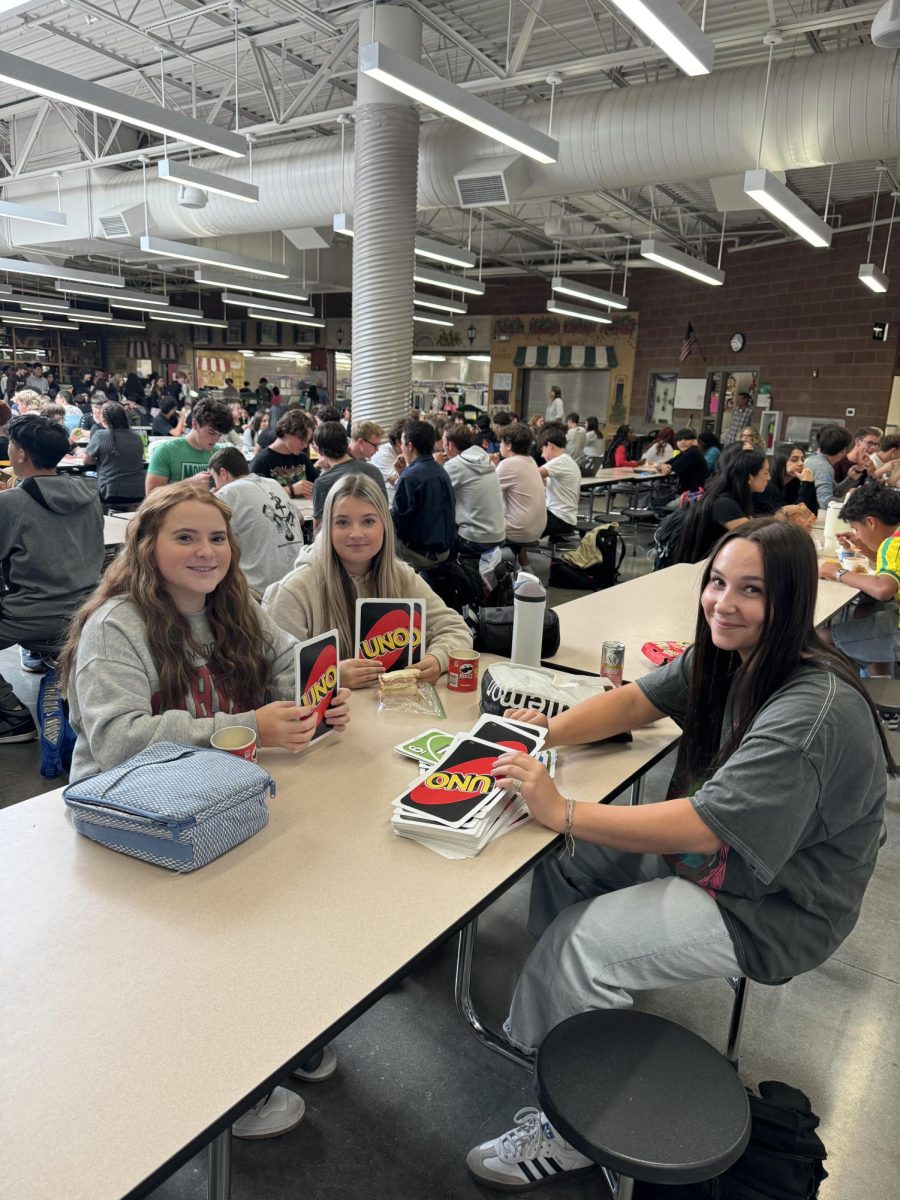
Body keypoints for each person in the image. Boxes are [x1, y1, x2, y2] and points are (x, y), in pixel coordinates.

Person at [466, 518, 892, 1190]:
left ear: (791, 603)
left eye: (751, 590)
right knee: (566, 859)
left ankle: (574, 1123)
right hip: (726, 865)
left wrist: (565, 808)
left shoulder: (812, 709)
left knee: (581, 939)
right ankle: (575, 1027)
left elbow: (703, 827)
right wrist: (544, 734)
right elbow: (636, 700)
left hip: (773, 905)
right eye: (718, 582)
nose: (724, 602)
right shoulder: (731, 654)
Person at [59, 482, 350, 1137]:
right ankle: (223, 1089)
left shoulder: (235, 604)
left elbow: (286, 663)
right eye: (185, 537)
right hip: (133, 825)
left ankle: (275, 1039)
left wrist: (313, 699)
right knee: (214, 941)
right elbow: (116, 740)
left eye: (216, 537)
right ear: (146, 546)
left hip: (226, 796)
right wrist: (249, 724)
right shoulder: (119, 624)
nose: (206, 551)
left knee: (278, 909)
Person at [263, 473, 472, 689]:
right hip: (326, 721)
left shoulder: (402, 576)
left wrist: (437, 659)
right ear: (327, 528)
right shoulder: (292, 592)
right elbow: (275, 678)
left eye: (368, 521)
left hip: (395, 714)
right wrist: (331, 677)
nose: (356, 533)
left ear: (385, 525)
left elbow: (455, 628)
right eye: (342, 522)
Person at [0, 414, 103, 741]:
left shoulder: (12, 503)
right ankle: (40, 653)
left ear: (20, 454)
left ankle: (12, 718)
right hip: (89, 609)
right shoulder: (89, 493)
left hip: (35, 614)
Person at [819, 481, 900, 676]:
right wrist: (863, 547)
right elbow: (892, 569)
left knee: (819, 637)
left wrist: (838, 573)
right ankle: (881, 681)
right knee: (866, 608)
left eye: (856, 529)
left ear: (871, 522)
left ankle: (845, 695)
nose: (857, 535)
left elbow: (883, 589)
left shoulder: (893, 543)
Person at [208, 447, 303, 594]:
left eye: (214, 479)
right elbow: (300, 518)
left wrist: (208, 497)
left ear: (223, 473)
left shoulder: (226, 493)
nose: (215, 486)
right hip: (295, 581)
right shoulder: (273, 483)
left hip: (259, 591)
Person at [675, 449, 769, 564]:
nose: (769, 477)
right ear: (749, 477)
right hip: (701, 566)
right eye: (765, 473)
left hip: (717, 560)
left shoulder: (737, 496)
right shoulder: (724, 503)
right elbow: (756, 536)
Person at [391, 419, 456, 570]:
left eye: (402, 443)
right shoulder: (440, 470)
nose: (400, 448)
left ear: (410, 445)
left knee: (377, 544)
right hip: (444, 549)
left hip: (422, 554)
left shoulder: (410, 477)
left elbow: (398, 522)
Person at [442, 425, 506, 555]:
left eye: (443, 443)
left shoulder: (454, 465)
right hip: (499, 533)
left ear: (449, 445)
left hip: (475, 539)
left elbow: (436, 493)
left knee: (435, 541)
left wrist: (438, 467)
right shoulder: (484, 458)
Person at [145, 398, 233, 493]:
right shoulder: (166, 451)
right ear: (194, 424)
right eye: (211, 432)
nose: (216, 439)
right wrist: (187, 485)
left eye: (220, 434)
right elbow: (151, 494)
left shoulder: (220, 454)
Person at [310, 421, 387, 528]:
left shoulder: (322, 482)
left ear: (319, 451)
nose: (377, 449)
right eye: (375, 445)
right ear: (346, 443)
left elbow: (319, 530)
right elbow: (384, 512)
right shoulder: (374, 471)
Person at [80, 401, 146, 510]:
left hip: (110, 490)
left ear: (104, 419)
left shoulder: (100, 435)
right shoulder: (136, 437)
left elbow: (86, 460)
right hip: (138, 491)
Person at [496, 424, 546, 558]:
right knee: (512, 514)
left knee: (476, 524)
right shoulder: (531, 460)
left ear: (509, 445)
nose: (499, 445)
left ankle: (486, 571)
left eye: (501, 442)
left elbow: (488, 492)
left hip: (521, 530)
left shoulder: (507, 464)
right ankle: (525, 567)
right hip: (538, 527)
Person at [250, 408, 317, 500]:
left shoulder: (302, 458)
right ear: (287, 432)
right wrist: (291, 490)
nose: (305, 445)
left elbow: (317, 484)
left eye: (308, 441)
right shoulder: (262, 461)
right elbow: (255, 495)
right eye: (302, 439)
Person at [538, 427, 581, 539]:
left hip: (559, 519)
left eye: (543, 450)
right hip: (567, 518)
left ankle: (519, 555)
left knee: (519, 526)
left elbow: (532, 473)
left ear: (550, 446)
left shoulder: (560, 461)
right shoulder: (570, 461)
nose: (542, 455)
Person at [756, 444, 819, 518]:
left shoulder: (794, 484)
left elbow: (813, 513)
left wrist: (810, 483)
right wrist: (807, 483)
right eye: (794, 460)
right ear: (781, 462)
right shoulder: (767, 485)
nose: (801, 463)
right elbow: (795, 516)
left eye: (802, 459)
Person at [804, 425, 852, 509]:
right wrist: (851, 500)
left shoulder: (812, 459)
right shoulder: (823, 467)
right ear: (843, 450)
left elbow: (834, 492)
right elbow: (825, 502)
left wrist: (851, 478)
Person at [657, 428, 709, 495]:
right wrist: (662, 466)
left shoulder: (693, 453)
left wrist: (667, 467)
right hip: (686, 492)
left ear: (694, 441)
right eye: (679, 440)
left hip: (694, 495)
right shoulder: (684, 453)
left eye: (686, 439)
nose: (682, 442)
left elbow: (673, 467)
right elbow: (666, 464)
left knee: (657, 504)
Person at [833, 426, 883, 494]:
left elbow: (875, 491)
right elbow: (833, 492)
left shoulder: (868, 465)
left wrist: (872, 474)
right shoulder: (838, 463)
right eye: (870, 443)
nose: (873, 447)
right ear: (857, 441)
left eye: (876, 444)